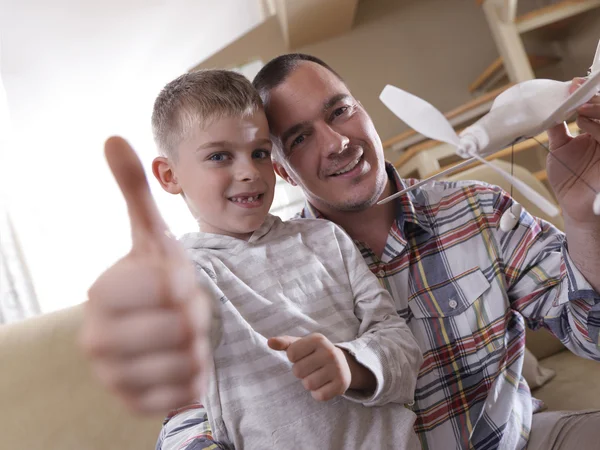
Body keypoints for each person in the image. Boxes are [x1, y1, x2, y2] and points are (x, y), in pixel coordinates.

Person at [83, 53, 600, 450]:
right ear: (284, 168)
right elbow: (187, 408)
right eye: (301, 137)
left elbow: (590, 334)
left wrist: (584, 218)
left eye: (340, 111)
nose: (335, 143)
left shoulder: (479, 211)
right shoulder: (222, 272)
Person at [82, 69, 423, 449]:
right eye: (219, 156)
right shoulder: (186, 275)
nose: (248, 172)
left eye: (259, 153)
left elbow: (401, 346)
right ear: (169, 175)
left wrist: (350, 363)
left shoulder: (326, 239)